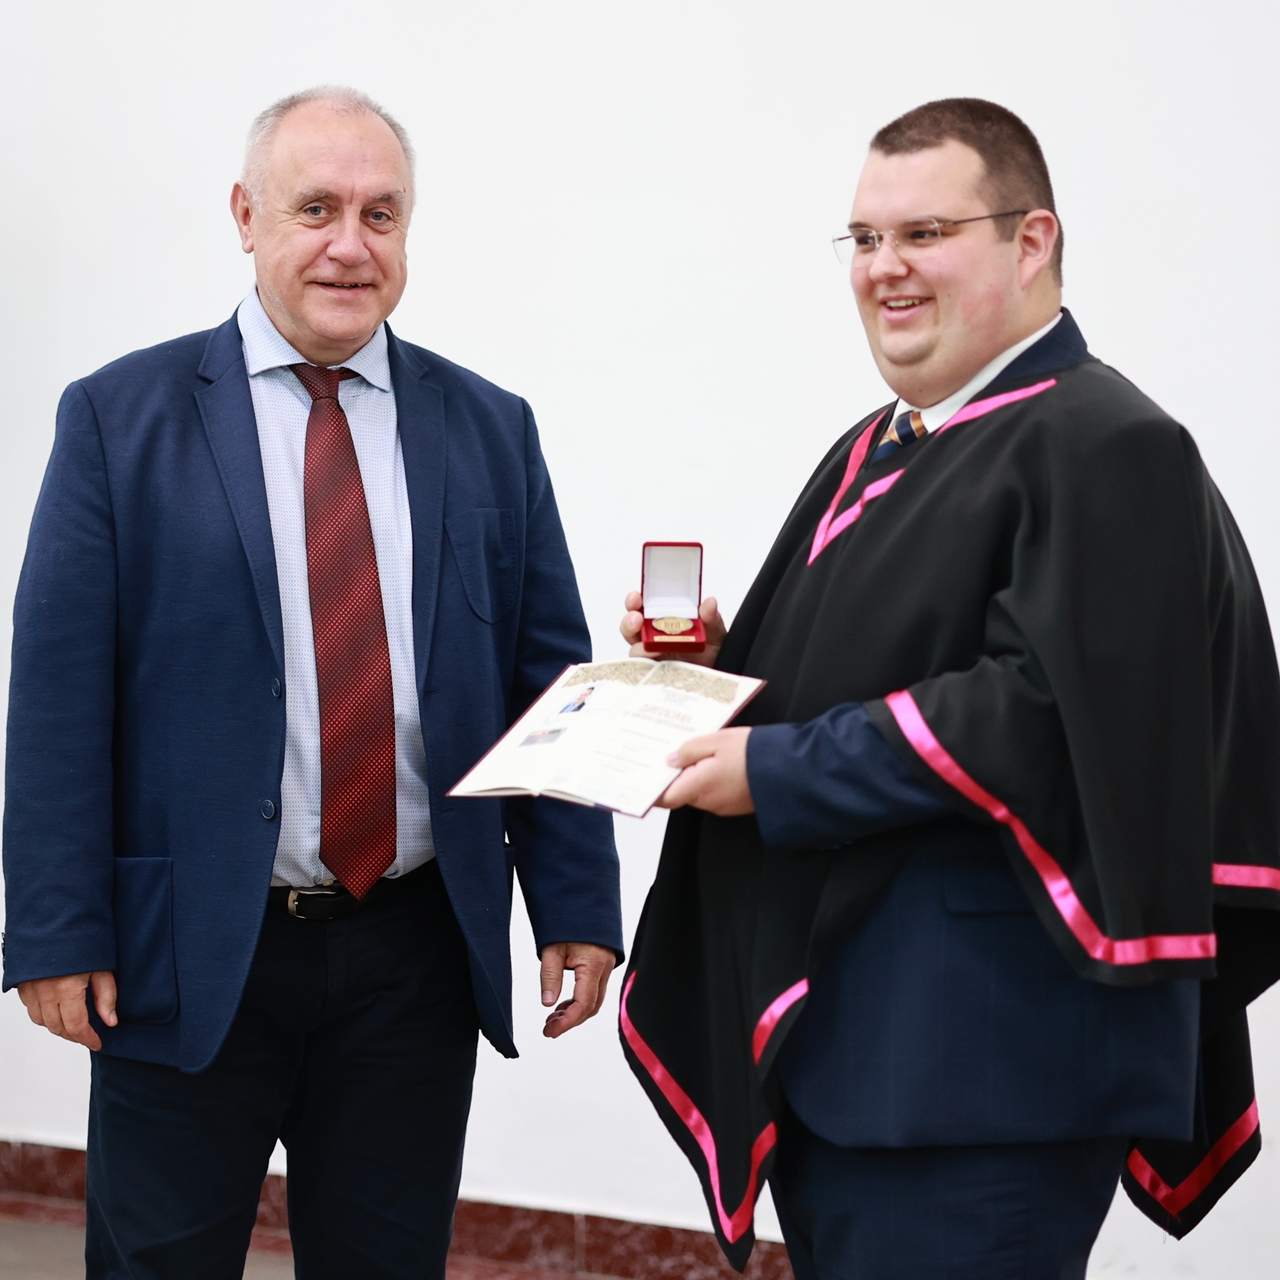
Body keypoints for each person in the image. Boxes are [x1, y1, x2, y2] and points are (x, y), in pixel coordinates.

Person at [618, 98, 1280, 1279]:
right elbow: (877, 678)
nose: (884, 267)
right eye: (864, 238)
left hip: (979, 1072)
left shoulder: (1104, 440)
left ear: (1030, 242)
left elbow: (1038, 710)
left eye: (922, 233)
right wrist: (713, 680)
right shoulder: (887, 443)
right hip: (854, 1063)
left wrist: (768, 767)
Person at [2, 86, 622, 1280]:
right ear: (245, 216)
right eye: (316, 208)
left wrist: (577, 899)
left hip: (412, 955)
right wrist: (54, 926)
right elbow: (59, 698)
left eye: (380, 214)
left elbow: (546, 682)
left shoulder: (490, 427)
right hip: (185, 951)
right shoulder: (119, 420)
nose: (350, 244)